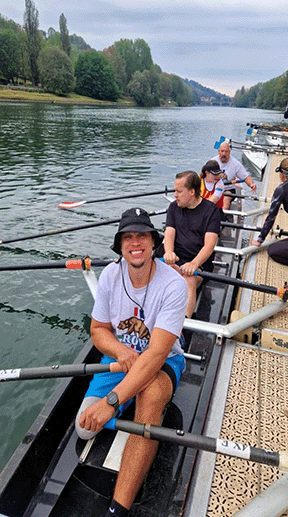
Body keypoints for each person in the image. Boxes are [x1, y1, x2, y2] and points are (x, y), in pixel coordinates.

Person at [76, 207, 188, 517]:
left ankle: (118, 508)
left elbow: (155, 354)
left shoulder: (173, 284)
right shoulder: (111, 274)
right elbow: (98, 331)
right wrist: (122, 352)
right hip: (120, 358)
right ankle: (136, 413)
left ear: (153, 242)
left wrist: (111, 402)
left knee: (149, 397)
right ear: (120, 245)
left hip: (164, 361)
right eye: (128, 237)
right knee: (83, 428)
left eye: (142, 235)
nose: (135, 242)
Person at [163, 170, 221, 319]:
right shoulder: (173, 208)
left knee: (187, 280)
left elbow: (209, 245)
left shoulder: (212, 211)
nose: (175, 195)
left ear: (191, 192)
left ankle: (184, 324)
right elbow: (169, 234)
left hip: (199, 265)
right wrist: (169, 252)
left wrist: (194, 264)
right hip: (175, 260)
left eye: (178, 191)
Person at [211, 142, 257, 212]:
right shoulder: (212, 162)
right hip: (214, 188)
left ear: (229, 152)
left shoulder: (235, 164)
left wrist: (251, 184)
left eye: (226, 152)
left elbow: (246, 177)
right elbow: (203, 175)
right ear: (218, 152)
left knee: (226, 199)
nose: (223, 154)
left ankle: (222, 217)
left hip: (228, 189)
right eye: (222, 151)